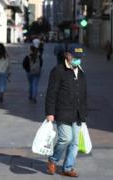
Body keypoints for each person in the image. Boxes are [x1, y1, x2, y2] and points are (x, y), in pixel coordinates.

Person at [45, 44, 87, 177]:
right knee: (65, 138)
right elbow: (51, 93)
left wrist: (84, 112)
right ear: (67, 55)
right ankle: (53, 160)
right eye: (75, 57)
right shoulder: (58, 71)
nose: (78, 60)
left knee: (74, 142)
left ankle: (67, 168)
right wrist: (50, 112)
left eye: (80, 57)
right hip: (63, 111)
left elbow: (83, 93)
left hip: (78, 112)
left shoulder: (80, 71)